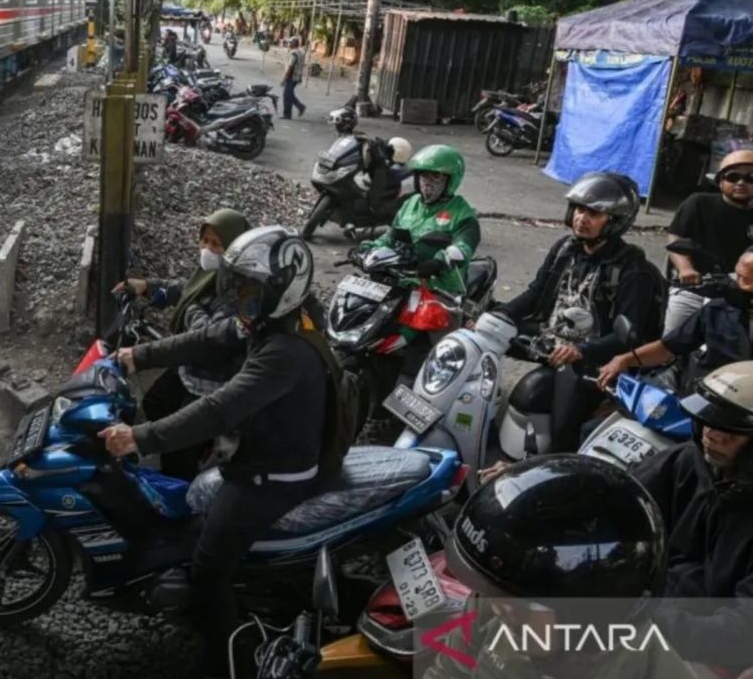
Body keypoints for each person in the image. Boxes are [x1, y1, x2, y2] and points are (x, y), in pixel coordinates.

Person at [98, 226, 346, 677]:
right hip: (262, 447)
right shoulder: (274, 316)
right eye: (238, 288)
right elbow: (211, 338)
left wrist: (140, 437)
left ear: (279, 290)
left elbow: (218, 409)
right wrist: (139, 355)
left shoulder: (285, 351)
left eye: (248, 291)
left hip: (273, 474)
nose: (239, 300)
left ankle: (230, 662)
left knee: (208, 569)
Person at [425, 454, 694, 679]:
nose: (498, 608)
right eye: (495, 593)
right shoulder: (490, 603)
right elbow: (448, 670)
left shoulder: (650, 669)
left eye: (522, 604)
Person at [498, 171, 662, 453]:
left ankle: (561, 461)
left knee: (565, 425)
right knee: (484, 339)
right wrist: (497, 316)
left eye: (594, 213)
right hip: (551, 339)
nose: (581, 218)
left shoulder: (634, 271)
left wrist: (582, 350)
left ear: (615, 221)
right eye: (579, 209)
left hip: (594, 360)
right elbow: (536, 293)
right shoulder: (565, 249)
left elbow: (629, 337)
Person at [112, 208, 252, 479]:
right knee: (154, 404)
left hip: (212, 383)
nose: (207, 249)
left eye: (216, 244)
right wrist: (147, 286)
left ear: (235, 247)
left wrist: (191, 310)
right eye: (205, 241)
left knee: (179, 450)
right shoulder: (211, 275)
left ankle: (182, 497)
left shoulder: (240, 290)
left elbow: (209, 335)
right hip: (190, 367)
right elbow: (187, 290)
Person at [632, 361, 753, 669]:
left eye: (731, 430)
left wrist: (639, 620)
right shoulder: (687, 461)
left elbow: (742, 630)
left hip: (710, 652)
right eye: (707, 421)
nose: (713, 435)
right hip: (651, 611)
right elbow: (617, 497)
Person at [597, 247, 753, 391]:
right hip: (706, 398)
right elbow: (668, 347)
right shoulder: (717, 310)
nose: (735, 284)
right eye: (737, 276)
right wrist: (624, 360)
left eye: (746, 281)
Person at [363, 144, 480, 297]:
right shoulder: (411, 203)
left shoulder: (463, 214)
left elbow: (463, 246)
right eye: (424, 175)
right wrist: (369, 248)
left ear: (451, 180)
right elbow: (391, 236)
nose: (427, 182)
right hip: (402, 279)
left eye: (436, 176)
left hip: (440, 287)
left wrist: (439, 262)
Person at [664, 149, 753, 333]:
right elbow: (676, 238)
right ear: (720, 182)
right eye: (733, 177)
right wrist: (686, 269)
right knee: (671, 340)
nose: (741, 183)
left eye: (750, 177)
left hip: (742, 294)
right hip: (695, 289)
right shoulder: (698, 203)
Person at [281, 36, 306, 120]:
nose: (289, 44)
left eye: (290, 43)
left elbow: (290, 67)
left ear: (294, 43)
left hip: (291, 76)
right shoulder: (301, 52)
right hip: (297, 76)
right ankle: (295, 109)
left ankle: (292, 111)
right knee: (288, 94)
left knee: (287, 95)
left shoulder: (294, 54)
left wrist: (285, 78)